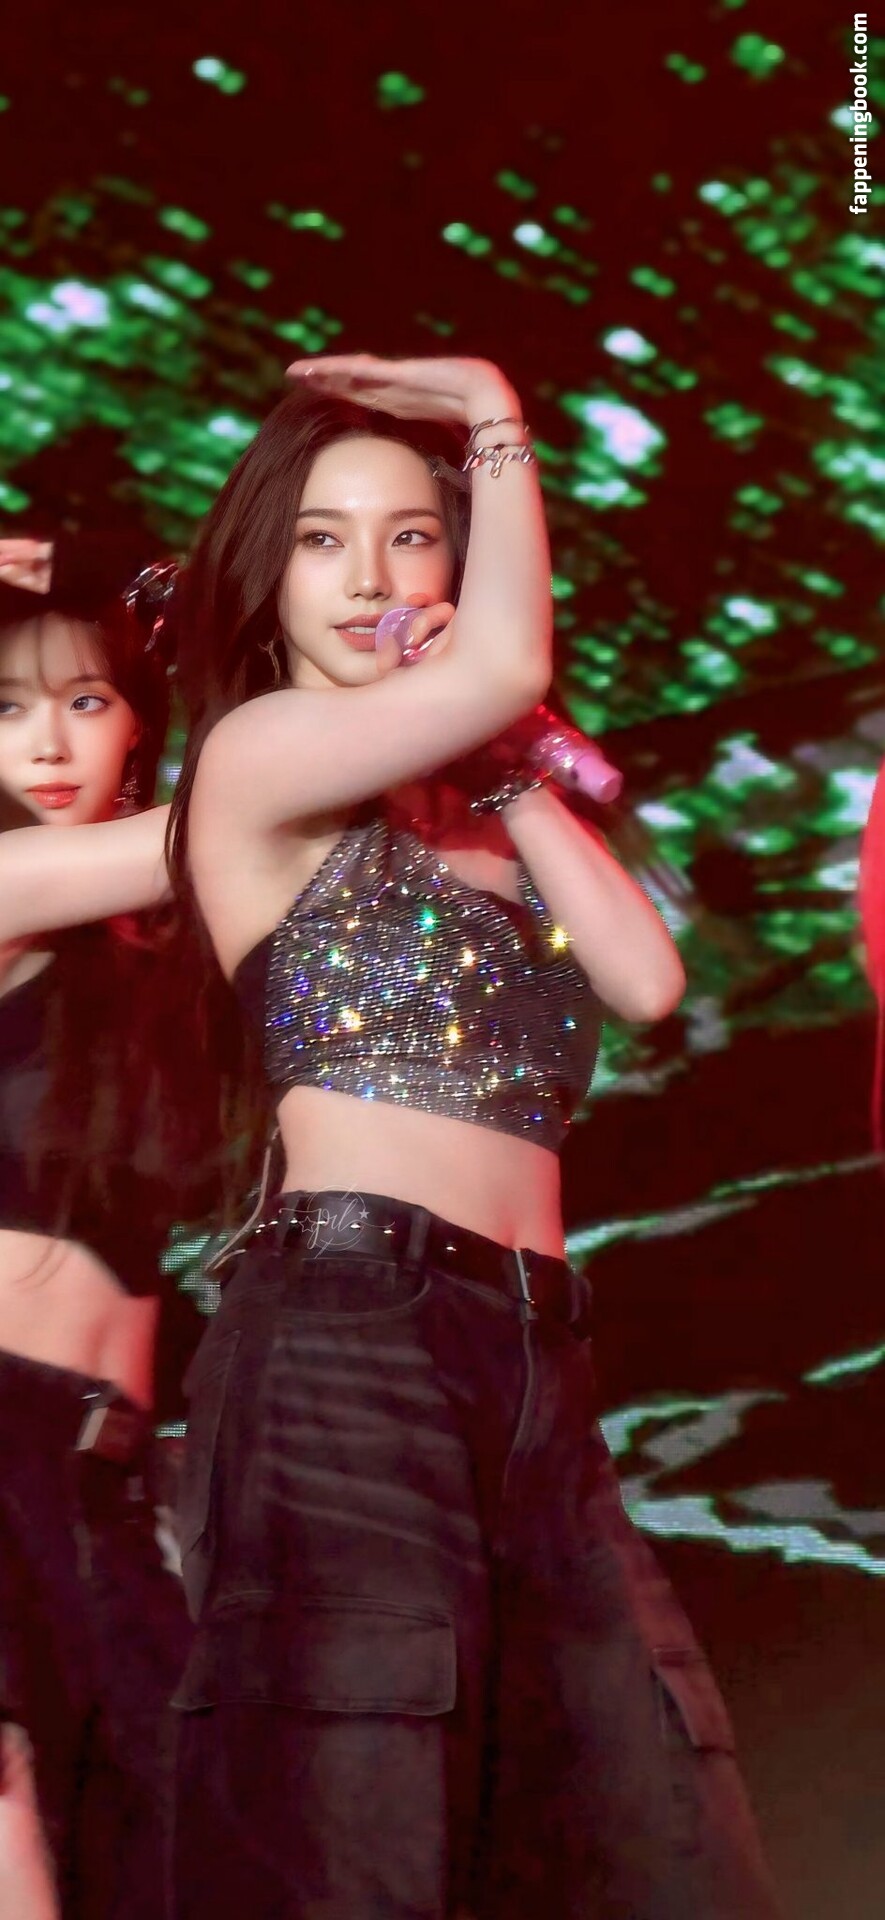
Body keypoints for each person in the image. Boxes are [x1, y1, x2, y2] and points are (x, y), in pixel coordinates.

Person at [167, 352, 781, 1919]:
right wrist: (494, 413)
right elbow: (504, 662)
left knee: (658, 1829)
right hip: (350, 1334)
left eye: (411, 537)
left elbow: (644, 981)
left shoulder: (487, 815)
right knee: (363, 1838)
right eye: (323, 542)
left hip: (534, 1358)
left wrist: (508, 778)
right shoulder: (256, 758)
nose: (372, 579)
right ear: (269, 579)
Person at [0, 559, 212, 1919]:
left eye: (84, 700)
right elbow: (247, 817)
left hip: (111, 1490)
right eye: (6, 708)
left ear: (139, 723)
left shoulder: (160, 965)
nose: (47, 743)